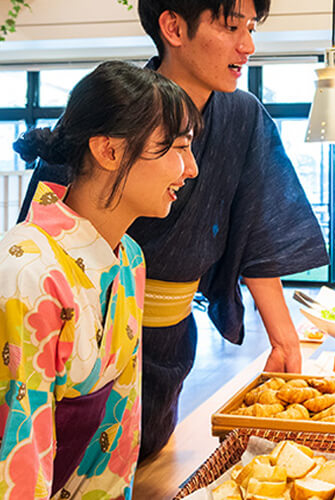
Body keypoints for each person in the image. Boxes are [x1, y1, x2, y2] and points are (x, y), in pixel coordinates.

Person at [17, 0, 329, 460]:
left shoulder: (242, 117)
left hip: (172, 338)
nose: (247, 45)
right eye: (230, 26)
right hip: (82, 336)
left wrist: (285, 340)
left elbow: (259, 233)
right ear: (173, 27)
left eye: (251, 26)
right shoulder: (114, 107)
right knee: (58, 458)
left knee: (142, 463)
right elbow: (43, 241)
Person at [0, 60, 200, 499]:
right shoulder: (28, 271)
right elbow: (18, 455)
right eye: (175, 148)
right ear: (108, 151)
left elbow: (118, 431)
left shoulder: (128, 259)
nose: (190, 169)